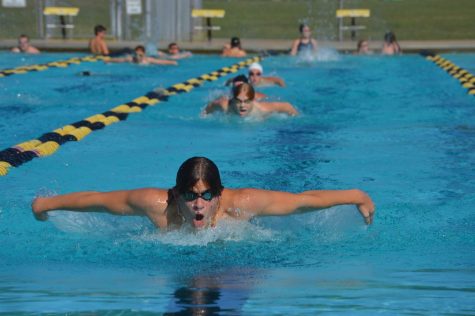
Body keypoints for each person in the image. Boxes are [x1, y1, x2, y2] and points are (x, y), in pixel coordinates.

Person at [32, 157, 375, 230]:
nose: (199, 206)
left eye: (207, 197)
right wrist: (45, 204)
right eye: (191, 197)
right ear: (176, 194)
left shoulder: (240, 204)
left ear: (219, 193)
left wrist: (356, 194)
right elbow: (99, 200)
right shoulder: (157, 205)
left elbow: (303, 202)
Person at [203, 83, 297, 117]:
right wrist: (204, 115)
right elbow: (210, 106)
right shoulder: (225, 105)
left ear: (253, 100)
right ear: (233, 99)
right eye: (239, 101)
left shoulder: (262, 109)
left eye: (247, 101)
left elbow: (287, 106)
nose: (242, 105)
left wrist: (296, 116)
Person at [106, 45, 177, 65]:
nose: (138, 56)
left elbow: (160, 62)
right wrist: (109, 60)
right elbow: (119, 60)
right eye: (137, 54)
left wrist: (172, 62)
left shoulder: (147, 60)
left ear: (143, 54)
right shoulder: (131, 59)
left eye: (140, 55)